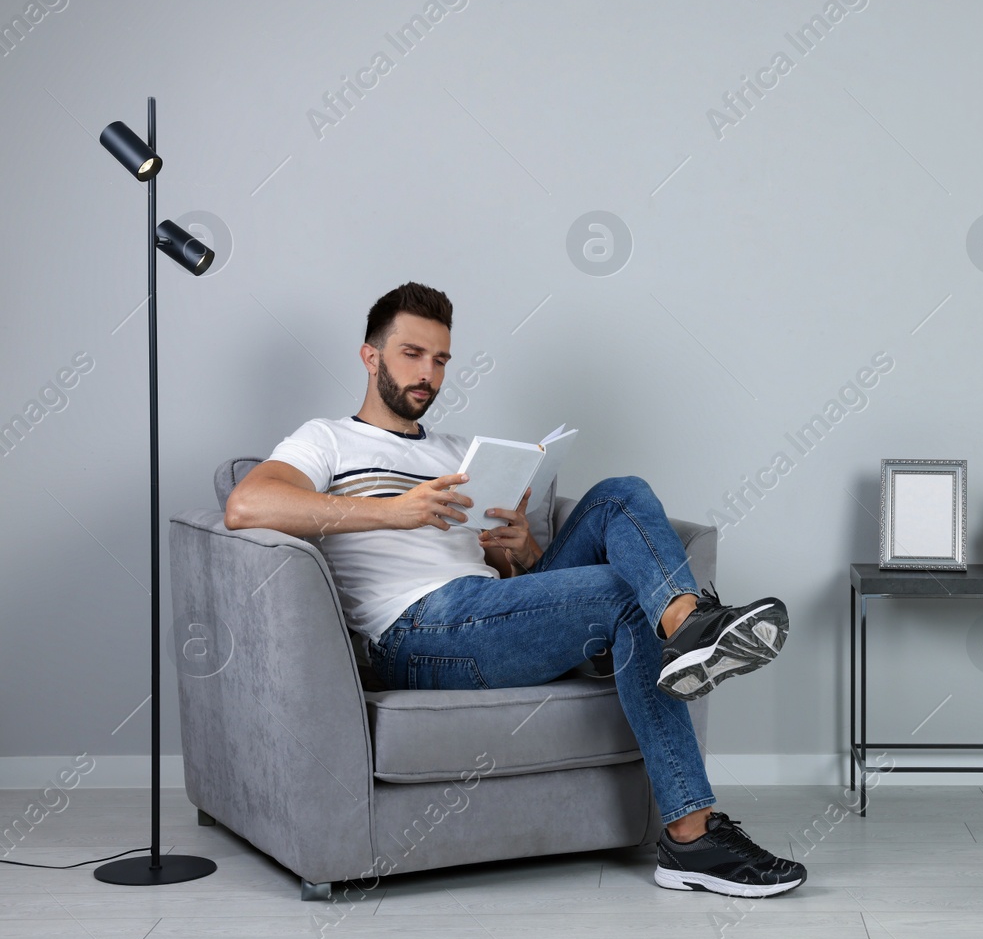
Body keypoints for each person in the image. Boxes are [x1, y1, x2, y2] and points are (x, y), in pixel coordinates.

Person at [224, 281, 805, 897]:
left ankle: (686, 626)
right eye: (412, 354)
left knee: (621, 493)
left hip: (488, 612)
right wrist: (397, 511)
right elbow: (246, 505)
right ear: (371, 357)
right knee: (623, 594)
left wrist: (518, 551)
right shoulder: (328, 441)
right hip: (417, 635)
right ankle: (692, 832)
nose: (428, 374)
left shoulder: (457, 453)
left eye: (441, 360)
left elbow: (513, 582)